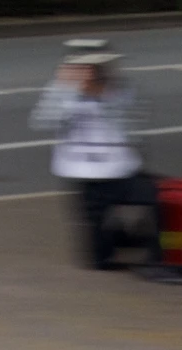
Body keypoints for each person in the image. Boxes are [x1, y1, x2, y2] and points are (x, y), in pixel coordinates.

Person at [30, 48, 154, 270]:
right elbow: (42, 122)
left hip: (119, 169)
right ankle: (112, 246)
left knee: (159, 198)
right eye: (83, 69)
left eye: (94, 69)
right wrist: (66, 91)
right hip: (82, 171)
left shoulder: (120, 90)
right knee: (97, 245)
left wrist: (101, 93)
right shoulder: (61, 92)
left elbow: (131, 120)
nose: (88, 75)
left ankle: (150, 250)